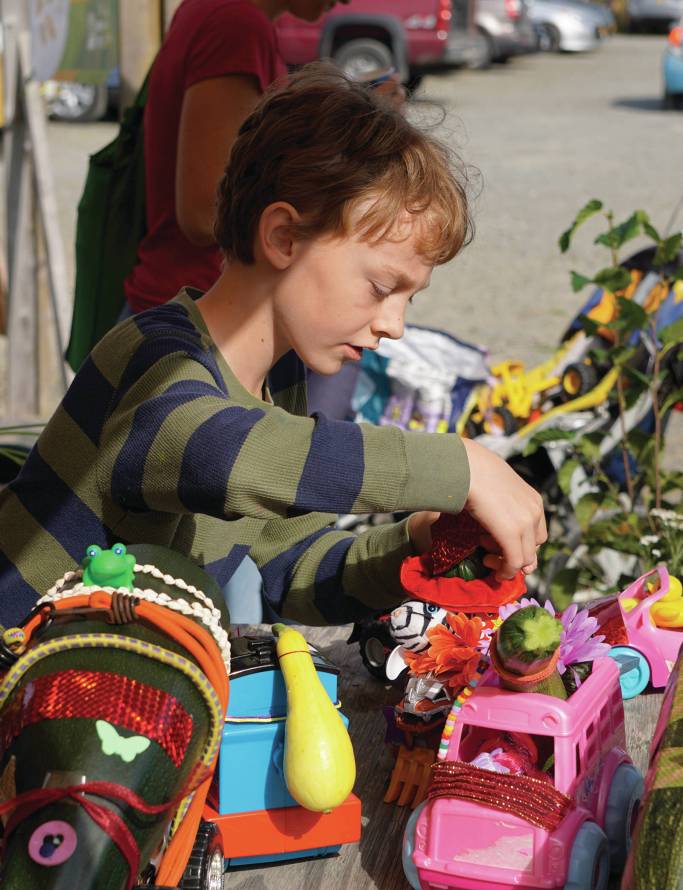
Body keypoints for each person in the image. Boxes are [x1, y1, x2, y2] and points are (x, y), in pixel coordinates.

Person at [0, 65, 546, 630]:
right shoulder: (154, 357)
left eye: (408, 299)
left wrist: (417, 543)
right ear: (284, 237)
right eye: (382, 289)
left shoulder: (277, 385)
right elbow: (219, 456)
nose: (395, 326)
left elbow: (297, 570)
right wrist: (459, 464)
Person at [123, 0, 346, 317]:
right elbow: (204, 214)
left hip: (188, 308)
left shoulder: (218, 12)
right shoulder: (236, 24)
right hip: (198, 318)